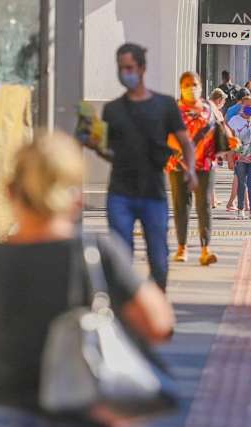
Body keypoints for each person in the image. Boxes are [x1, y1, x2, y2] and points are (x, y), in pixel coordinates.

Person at [0, 132, 175, 425]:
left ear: (10, 192)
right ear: (76, 198)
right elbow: (159, 326)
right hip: (80, 411)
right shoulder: (94, 252)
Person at [86, 43, 197, 291]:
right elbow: (109, 152)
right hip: (120, 194)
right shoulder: (112, 109)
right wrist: (95, 146)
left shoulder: (165, 105)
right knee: (120, 258)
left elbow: (185, 142)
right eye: (121, 68)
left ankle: (156, 306)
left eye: (129, 67)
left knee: (158, 258)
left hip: (153, 194)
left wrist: (190, 169)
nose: (125, 73)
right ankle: (126, 311)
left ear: (142, 68)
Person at [167, 71, 225, 266]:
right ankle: (182, 247)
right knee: (181, 206)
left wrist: (231, 141)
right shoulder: (173, 109)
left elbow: (222, 127)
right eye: (187, 84)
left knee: (204, 206)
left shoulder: (209, 107)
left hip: (205, 163)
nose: (191, 88)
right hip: (179, 163)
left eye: (194, 84)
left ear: (200, 86)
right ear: (181, 87)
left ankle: (205, 249)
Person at [209, 88, 229, 209]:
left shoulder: (206, 107)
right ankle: (211, 200)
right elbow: (221, 128)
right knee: (210, 172)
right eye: (223, 101)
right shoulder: (215, 110)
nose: (224, 104)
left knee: (212, 171)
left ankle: (213, 198)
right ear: (219, 100)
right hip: (211, 146)